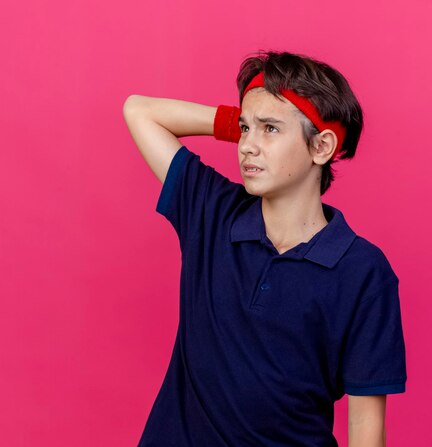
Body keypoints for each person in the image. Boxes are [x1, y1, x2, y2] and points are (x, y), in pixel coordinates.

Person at [123, 50, 407, 447]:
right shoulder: (212, 211)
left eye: (270, 129)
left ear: (321, 147)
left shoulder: (363, 271)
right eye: (244, 129)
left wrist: (254, 118)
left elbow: (366, 428)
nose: (246, 147)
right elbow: (139, 111)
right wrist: (240, 119)